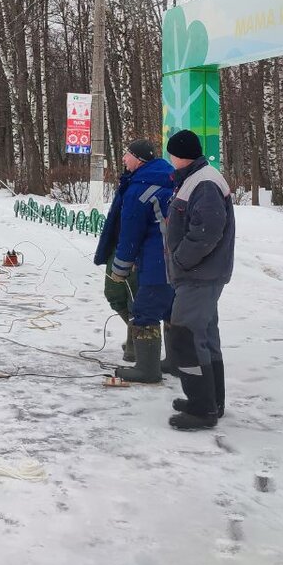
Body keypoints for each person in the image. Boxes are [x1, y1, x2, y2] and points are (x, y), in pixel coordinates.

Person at [164, 129, 236, 430]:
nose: (170, 159)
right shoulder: (198, 178)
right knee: (204, 337)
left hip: (198, 274)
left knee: (186, 338)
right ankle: (212, 401)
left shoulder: (203, 183)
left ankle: (201, 407)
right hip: (201, 274)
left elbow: (207, 231)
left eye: (171, 154)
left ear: (180, 155)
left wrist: (180, 259)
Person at [94, 139, 175, 382]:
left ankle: (146, 365)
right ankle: (164, 358)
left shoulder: (141, 186)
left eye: (127, 155)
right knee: (166, 307)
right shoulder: (160, 178)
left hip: (146, 256)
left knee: (141, 307)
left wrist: (122, 265)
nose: (123, 159)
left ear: (140, 159)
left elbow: (131, 231)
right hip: (166, 257)